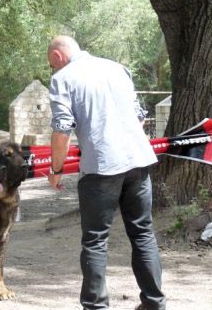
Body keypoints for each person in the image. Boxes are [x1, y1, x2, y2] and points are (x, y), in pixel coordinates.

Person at [47, 36, 165, 310]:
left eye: (51, 64)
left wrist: (56, 168)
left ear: (57, 55)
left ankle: (96, 306)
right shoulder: (117, 68)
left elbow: (62, 128)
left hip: (101, 167)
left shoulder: (63, 78)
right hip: (138, 161)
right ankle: (154, 303)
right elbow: (140, 116)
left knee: (95, 241)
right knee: (143, 233)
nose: (52, 69)